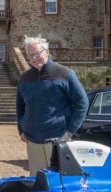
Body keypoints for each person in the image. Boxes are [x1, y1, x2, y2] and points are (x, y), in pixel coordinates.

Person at [16, 36, 89, 175]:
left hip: (57, 139)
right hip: (32, 142)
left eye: (37, 52)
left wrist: (70, 131)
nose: (34, 57)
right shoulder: (25, 77)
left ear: (47, 52)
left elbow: (82, 102)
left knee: (58, 182)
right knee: (39, 182)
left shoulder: (64, 73)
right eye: (30, 54)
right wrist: (21, 129)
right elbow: (20, 106)